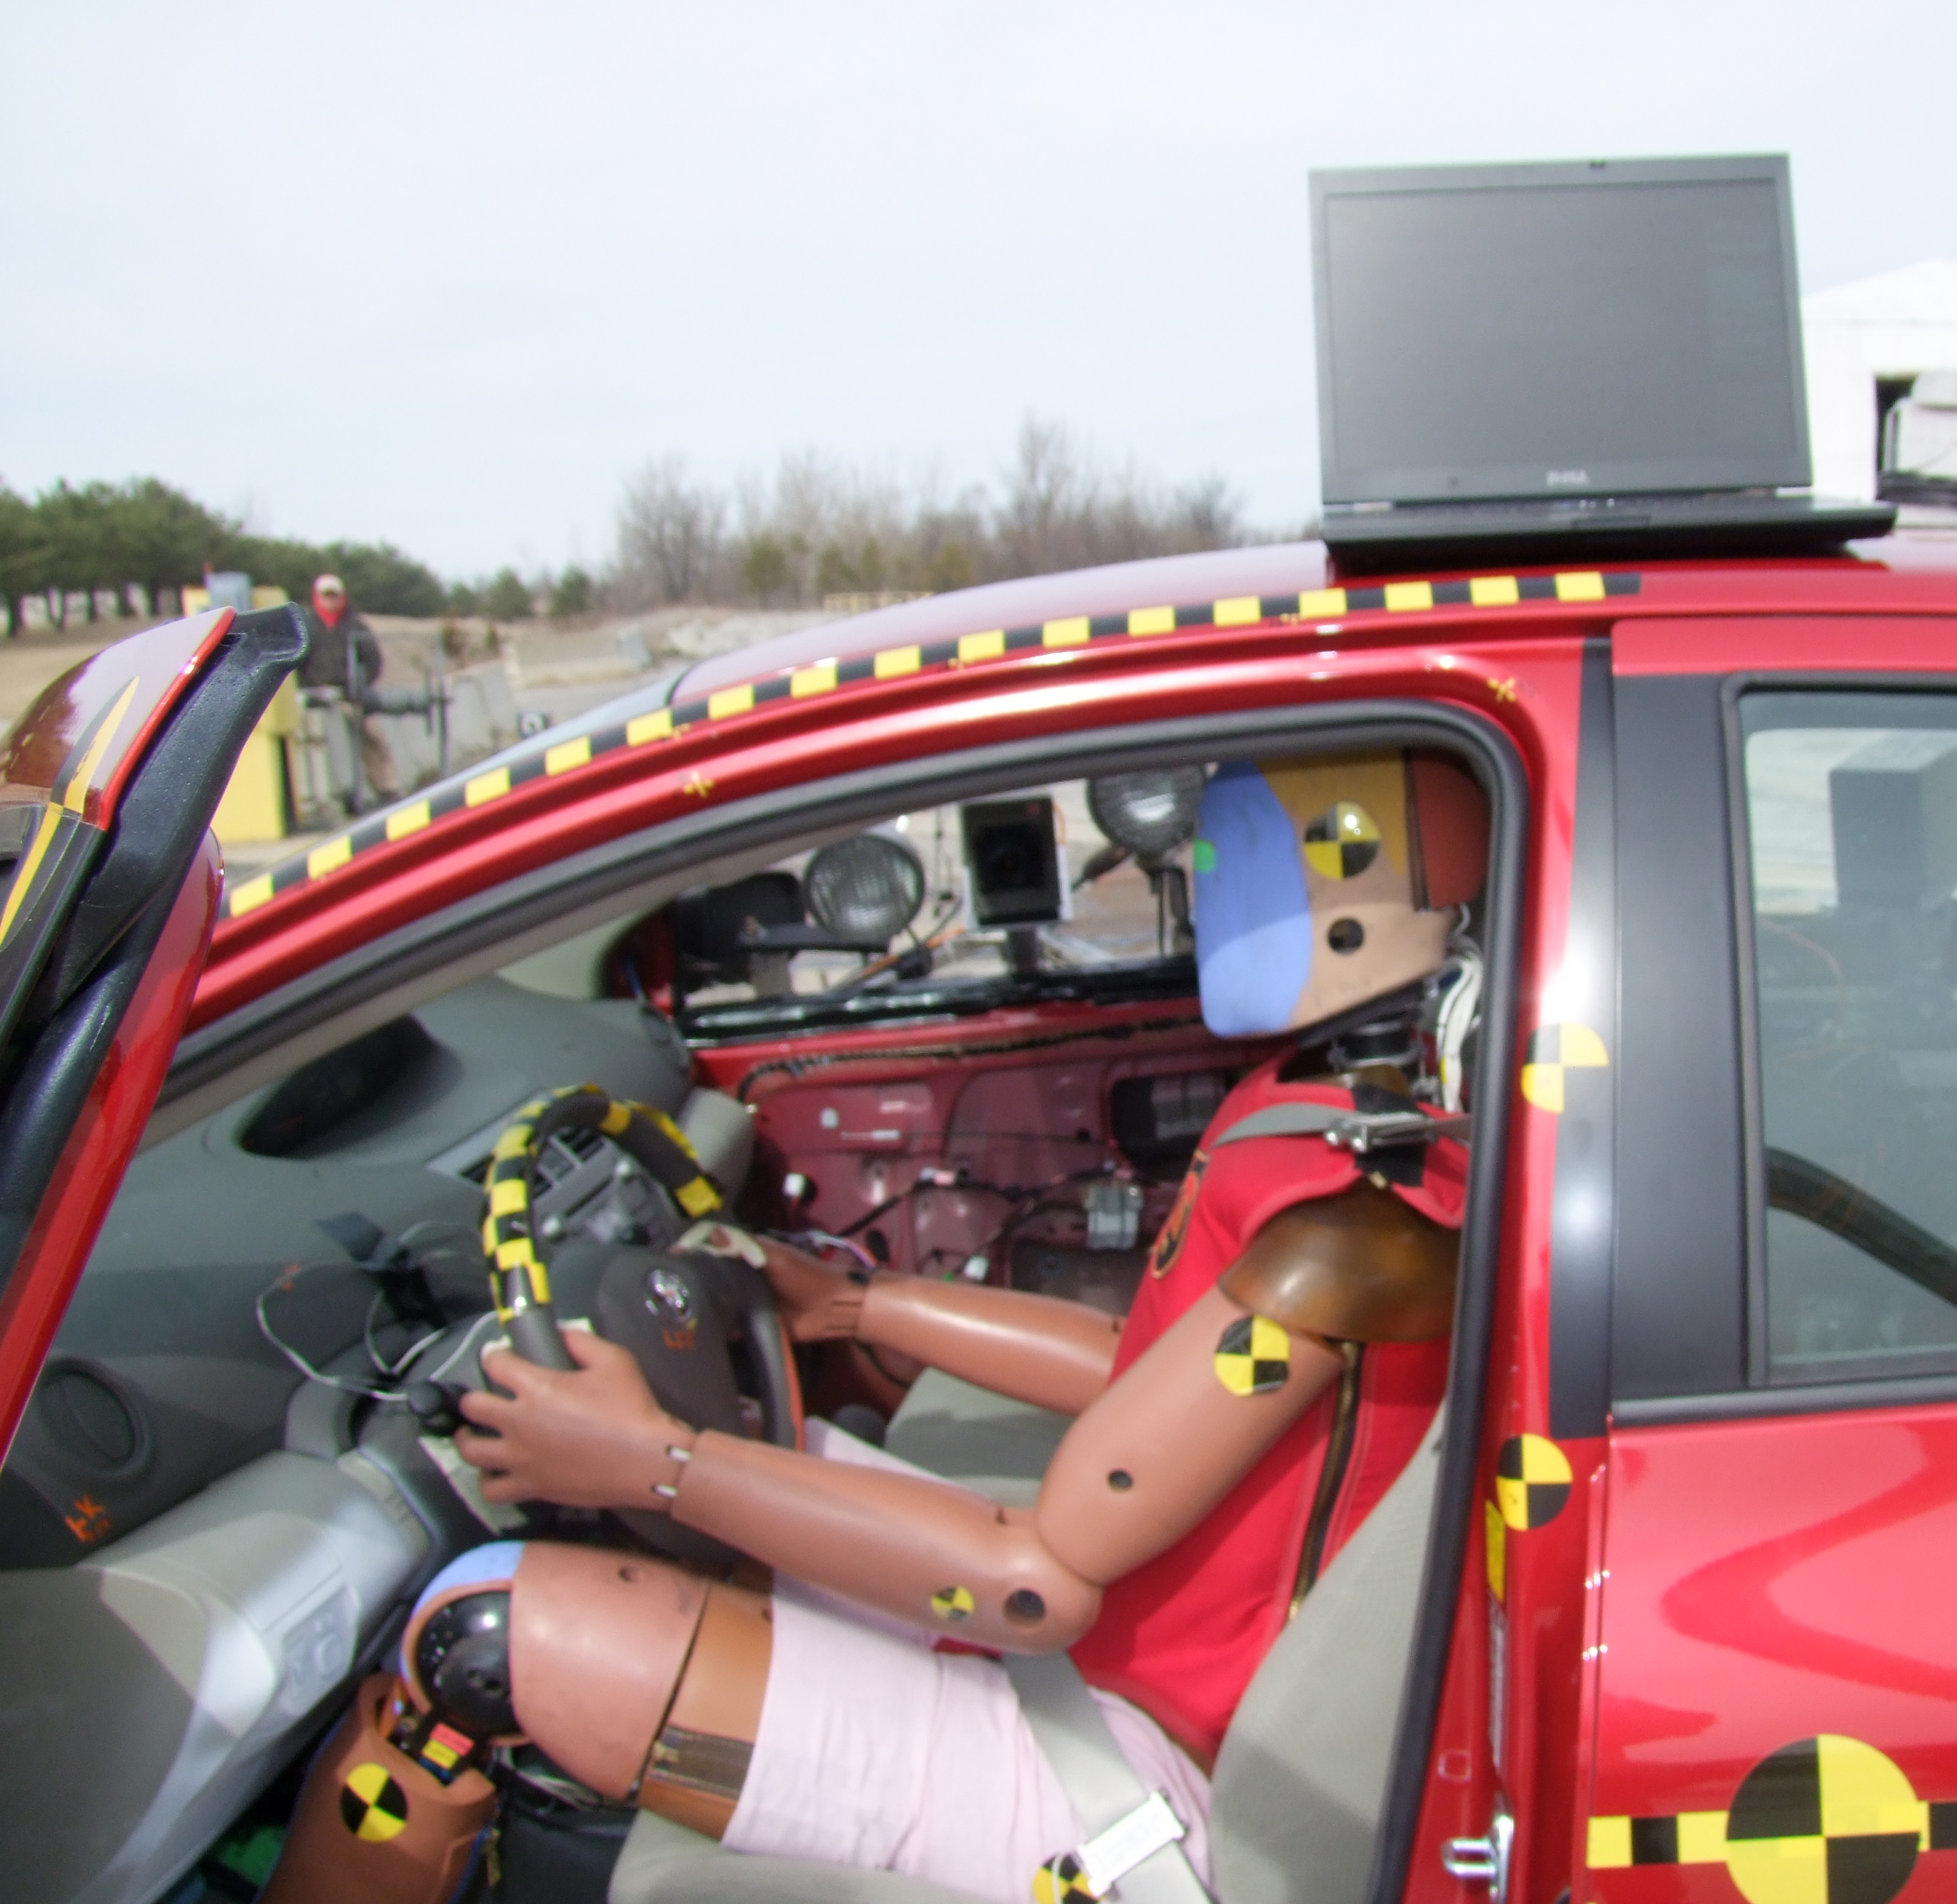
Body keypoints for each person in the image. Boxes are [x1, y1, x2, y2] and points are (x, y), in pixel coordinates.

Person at [261, 751, 1491, 1904]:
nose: (1200, 881)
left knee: (473, 1635)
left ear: (1348, 878)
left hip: (1131, 1771)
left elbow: (1030, 1589)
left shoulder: (1343, 1237)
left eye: (1223, 854)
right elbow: (1141, 1369)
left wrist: (650, 1461)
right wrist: (857, 1304)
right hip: (1122, 1666)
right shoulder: (1337, 1128)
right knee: (742, 1500)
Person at [299, 572, 401, 802]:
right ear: (317, 597)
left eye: (334, 595)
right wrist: (309, 687)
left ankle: (387, 788)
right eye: (325, 595)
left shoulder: (356, 625)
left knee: (372, 737)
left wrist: (358, 686)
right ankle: (330, 796)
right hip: (316, 698)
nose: (330, 600)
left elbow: (373, 660)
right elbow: (299, 663)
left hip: (350, 697)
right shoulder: (307, 627)